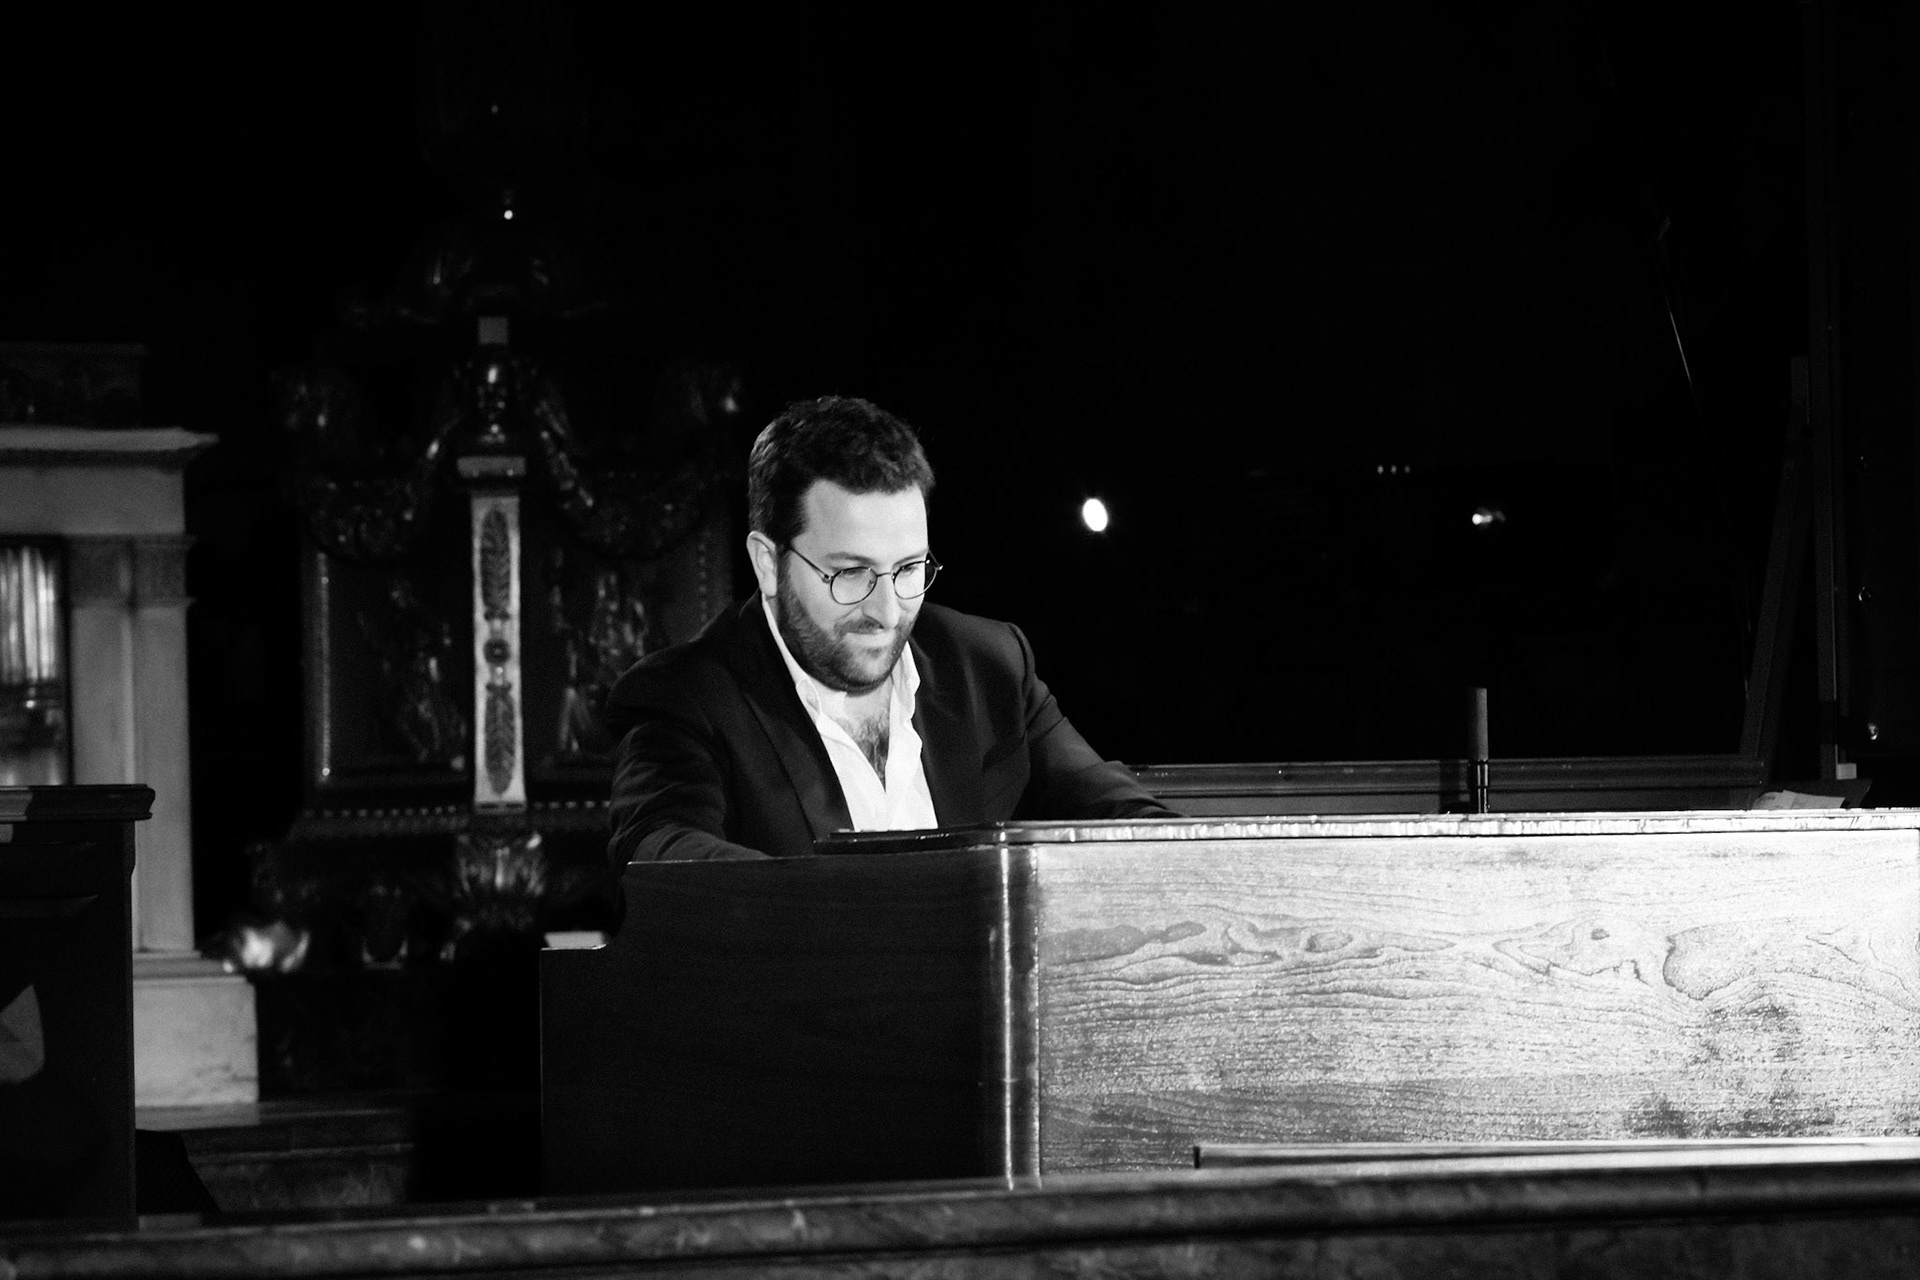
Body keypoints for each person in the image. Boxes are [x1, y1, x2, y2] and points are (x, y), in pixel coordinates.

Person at [605, 395, 1176, 863]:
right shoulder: (685, 699)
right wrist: (854, 914)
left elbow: (1126, 818)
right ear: (767, 563)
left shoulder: (989, 665)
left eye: (908, 569)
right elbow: (658, 855)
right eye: (851, 574)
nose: (887, 610)